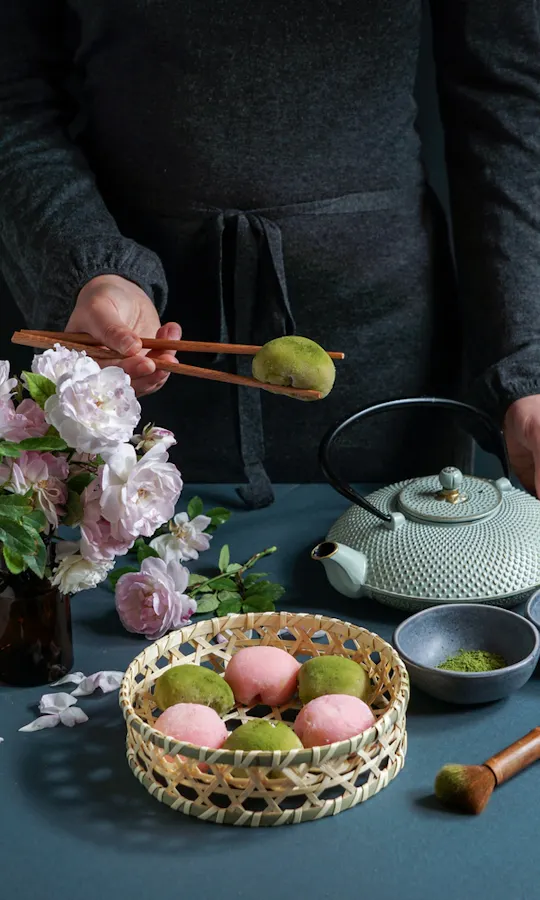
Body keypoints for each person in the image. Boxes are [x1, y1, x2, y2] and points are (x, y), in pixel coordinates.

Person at [1, 1, 540, 509]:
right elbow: (11, 92)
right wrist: (89, 264)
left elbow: (506, 101)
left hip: (387, 370)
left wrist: (526, 354)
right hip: (130, 350)